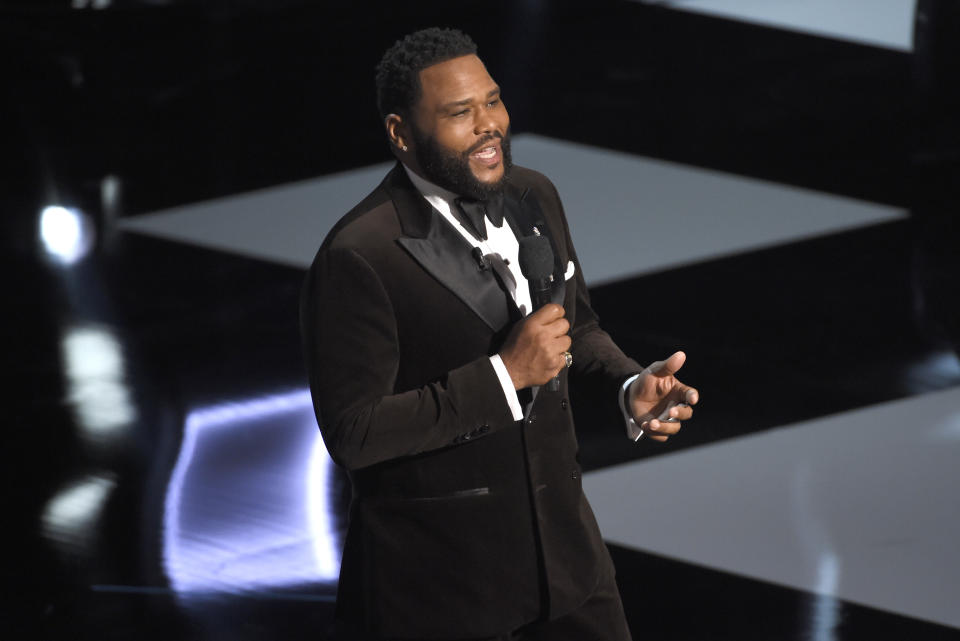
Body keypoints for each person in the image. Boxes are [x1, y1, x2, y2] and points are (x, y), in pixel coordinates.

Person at [300, 27, 699, 641]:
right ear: (401, 133)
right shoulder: (360, 255)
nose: (489, 124)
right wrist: (505, 376)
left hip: (572, 572)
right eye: (461, 112)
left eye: (493, 101)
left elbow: (575, 325)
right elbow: (355, 433)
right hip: (437, 594)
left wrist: (627, 384)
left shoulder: (534, 194)